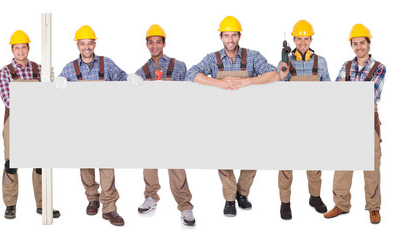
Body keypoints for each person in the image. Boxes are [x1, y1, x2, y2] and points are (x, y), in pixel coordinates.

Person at [185, 16, 281, 217]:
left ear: (239, 36)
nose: (230, 39)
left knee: (252, 156)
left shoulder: (253, 57)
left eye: (234, 35)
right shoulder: (213, 59)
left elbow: (274, 74)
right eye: (226, 35)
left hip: (250, 117)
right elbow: (191, 74)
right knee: (223, 157)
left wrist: (248, 82)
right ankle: (230, 198)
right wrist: (217, 83)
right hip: (221, 118)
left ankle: (242, 194)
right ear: (221, 37)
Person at [57, 25, 127, 226]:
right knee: (86, 165)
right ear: (77, 45)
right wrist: (58, 82)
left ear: (94, 44)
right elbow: (58, 97)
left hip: (106, 123)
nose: (86, 47)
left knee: (107, 166)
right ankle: (92, 199)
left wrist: (130, 78)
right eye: (82, 44)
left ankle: (110, 207)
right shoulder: (69, 68)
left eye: (89, 43)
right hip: (81, 125)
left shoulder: (107, 64)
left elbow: (124, 81)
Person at [323, 23, 386, 224]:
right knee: (343, 164)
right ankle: (341, 204)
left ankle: (373, 208)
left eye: (362, 43)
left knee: (371, 165)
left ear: (369, 43)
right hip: (346, 119)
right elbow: (336, 93)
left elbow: (372, 94)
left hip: (368, 119)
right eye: (355, 43)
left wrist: (347, 90)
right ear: (351, 45)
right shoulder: (346, 66)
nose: (358, 47)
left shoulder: (379, 68)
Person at [133, 24, 195, 226]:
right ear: (146, 45)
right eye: (150, 42)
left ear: (164, 43)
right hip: (151, 123)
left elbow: (187, 95)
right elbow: (134, 97)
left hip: (173, 123)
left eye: (158, 42)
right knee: (149, 163)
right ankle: (151, 197)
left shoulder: (179, 66)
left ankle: (185, 206)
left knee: (176, 166)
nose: (154, 46)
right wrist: (131, 81)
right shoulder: (142, 71)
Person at [0, 30, 60, 219]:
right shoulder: (5, 72)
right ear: (12, 49)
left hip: (38, 122)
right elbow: (8, 99)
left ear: (28, 48)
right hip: (14, 121)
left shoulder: (39, 69)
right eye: (17, 48)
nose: (20, 51)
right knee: (11, 164)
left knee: (41, 163)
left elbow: (48, 94)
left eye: (23, 47)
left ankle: (43, 204)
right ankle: (10, 204)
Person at [277, 20, 329, 220]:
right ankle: (285, 202)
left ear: (311, 39)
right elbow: (278, 92)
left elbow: (328, 90)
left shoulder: (321, 62)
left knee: (314, 162)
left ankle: (314, 197)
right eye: (299, 38)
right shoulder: (285, 61)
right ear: (294, 39)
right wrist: (282, 73)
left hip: (314, 119)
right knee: (286, 163)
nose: (302, 42)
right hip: (290, 119)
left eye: (306, 38)